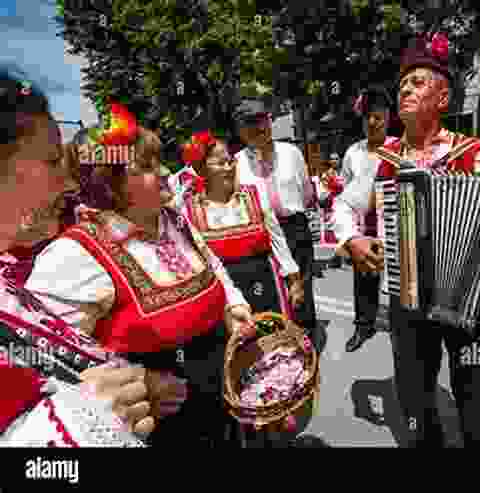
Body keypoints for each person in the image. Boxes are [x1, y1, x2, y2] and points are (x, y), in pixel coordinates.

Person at [330, 32, 480, 447]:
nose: (405, 91)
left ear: (444, 98)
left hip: (470, 298)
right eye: (402, 85)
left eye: (417, 83)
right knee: (414, 393)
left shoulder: (473, 154)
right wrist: (351, 240)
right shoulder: (382, 160)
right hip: (407, 300)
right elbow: (344, 206)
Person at [23, 103, 254, 448]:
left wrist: (233, 305)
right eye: (146, 166)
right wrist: (136, 381)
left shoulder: (173, 220)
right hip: (161, 432)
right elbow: (40, 361)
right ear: (109, 185)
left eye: (158, 160)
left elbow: (213, 264)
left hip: (221, 402)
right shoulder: (74, 256)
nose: (164, 171)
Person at [0, 68, 163, 446]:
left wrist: (127, 388)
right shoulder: (71, 251)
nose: (70, 182)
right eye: (52, 160)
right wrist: (75, 421)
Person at [170, 131, 304, 320]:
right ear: (201, 170)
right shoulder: (190, 209)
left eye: (231, 161)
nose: (228, 168)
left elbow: (277, 240)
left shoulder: (254, 196)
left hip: (267, 286)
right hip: (225, 296)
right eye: (220, 163)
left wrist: (295, 281)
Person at [234, 100, 318, 340]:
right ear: (241, 131)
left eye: (260, 120)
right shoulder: (237, 164)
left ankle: (306, 343)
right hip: (262, 235)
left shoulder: (292, 153)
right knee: (272, 290)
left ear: (269, 121)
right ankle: (279, 344)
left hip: (295, 228)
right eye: (249, 123)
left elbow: (306, 193)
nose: (257, 128)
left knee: (303, 289)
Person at [340, 85, 393, 352]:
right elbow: (345, 193)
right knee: (363, 283)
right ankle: (363, 326)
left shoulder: (399, 148)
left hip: (394, 229)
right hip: (364, 230)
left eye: (378, 116)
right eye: (368, 117)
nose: (372, 122)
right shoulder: (353, 153)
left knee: (399, 283)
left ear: (388, 117)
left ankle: (403, 331)